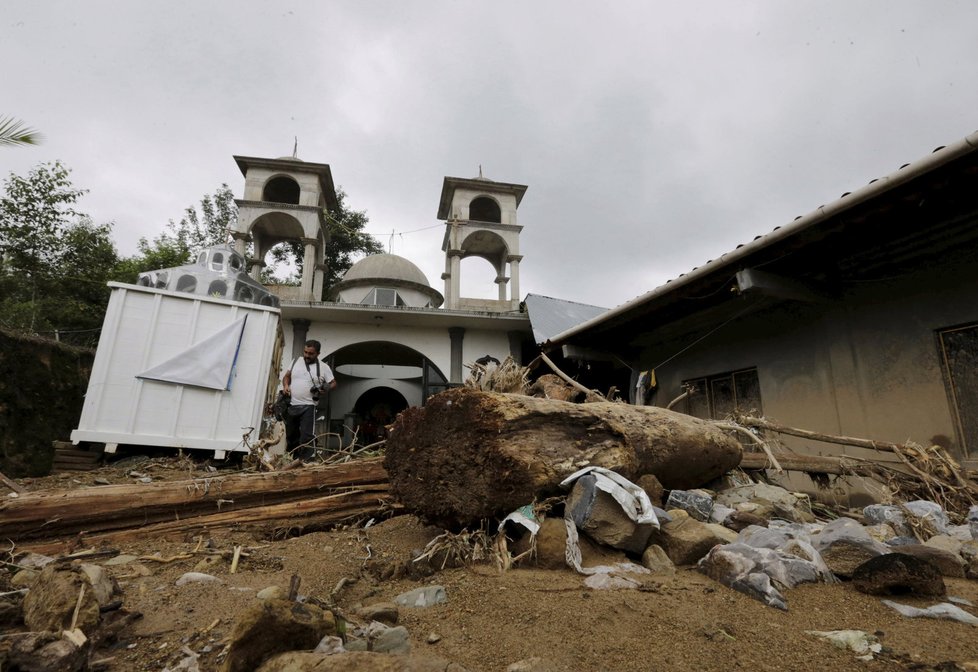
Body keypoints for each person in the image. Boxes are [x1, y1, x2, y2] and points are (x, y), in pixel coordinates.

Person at [282, 339, 336, 462]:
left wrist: (325, 388)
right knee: (291, 436)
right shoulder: (296, 361)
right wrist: (285, 386)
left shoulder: (323, 367)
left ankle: (304, 460)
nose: (307, 355)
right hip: (292, 405)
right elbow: (286, 376)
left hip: (309, 406)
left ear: (318, 353)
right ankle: (292, 458)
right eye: (305, 352)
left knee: (306, 436)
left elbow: (333, 383)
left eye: (311, 353)